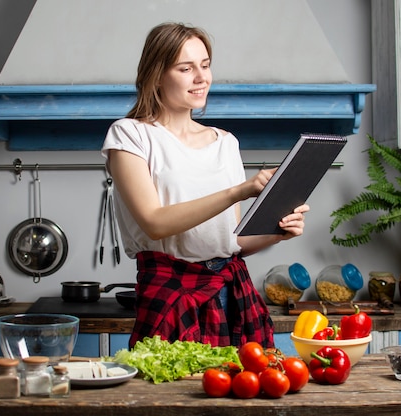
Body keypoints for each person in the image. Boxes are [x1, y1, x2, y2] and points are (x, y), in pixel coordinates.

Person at [101, 22, 309, 349]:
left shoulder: (225, 142)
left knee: (240, 395)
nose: (201, 78)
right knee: (170, 396)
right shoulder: (130, 135)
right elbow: (154, 223)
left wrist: (278, 232)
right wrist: (238, 190)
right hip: (170, 293)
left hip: (232, 291)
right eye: (186, 68)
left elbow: (232, 240)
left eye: (205, 65)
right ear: (156, 75)